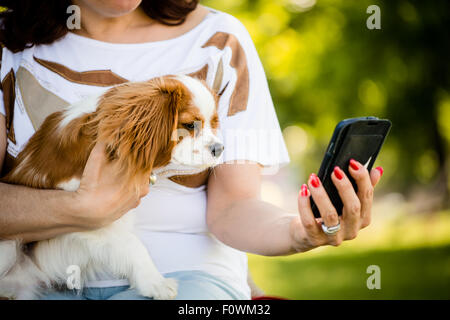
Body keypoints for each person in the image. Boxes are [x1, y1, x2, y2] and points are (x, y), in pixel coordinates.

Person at [0, 0, 383, 300]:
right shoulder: (9, 44)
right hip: (36, 278)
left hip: (188, 279)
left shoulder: (220, 39)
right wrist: (83, 210)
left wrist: (297, 232)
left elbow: (233, 208)